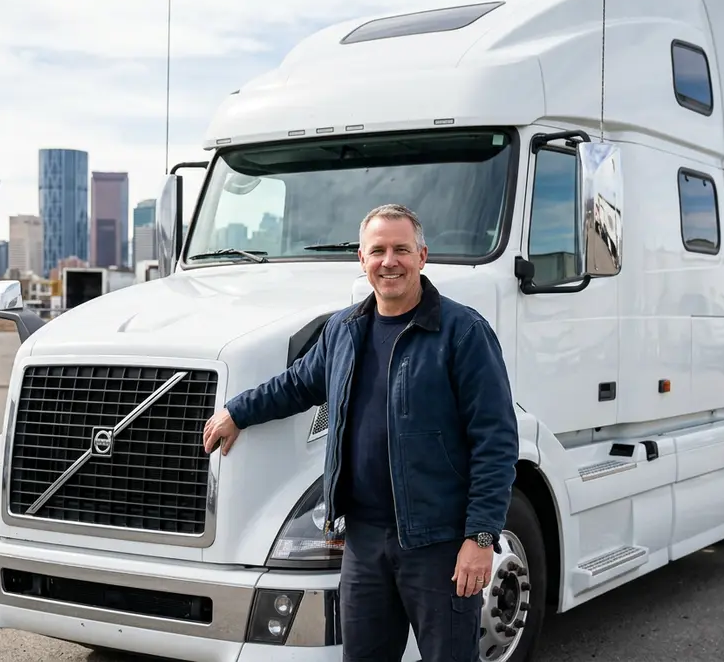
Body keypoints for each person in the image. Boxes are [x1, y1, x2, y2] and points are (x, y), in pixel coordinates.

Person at [201, 203, 519, 661]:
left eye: (401, 250)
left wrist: (482, 538)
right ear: (362, 259)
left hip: (440, 545)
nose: (389, 261)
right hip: (364, 543)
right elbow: (295, 386)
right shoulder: (343, 331)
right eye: (378, 251)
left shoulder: (463, 332)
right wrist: (236, 411)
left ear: (423, 256)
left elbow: (496, 441)